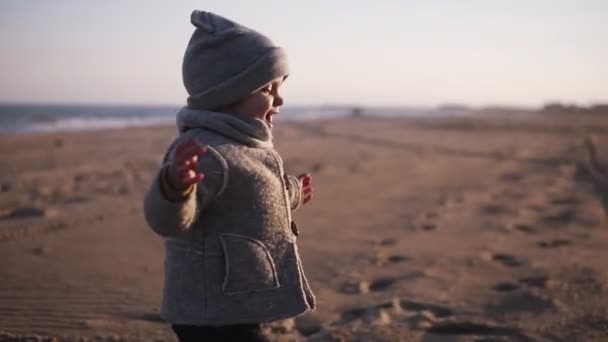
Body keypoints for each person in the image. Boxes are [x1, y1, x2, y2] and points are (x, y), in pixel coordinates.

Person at [143, 10, 316, 342]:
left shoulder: (244, 146)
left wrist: (292, 192)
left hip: (237, 298)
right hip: (209, 310)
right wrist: (174, 187)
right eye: (268, 89)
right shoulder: (206, 152)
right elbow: (166, 221)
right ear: (228, 95)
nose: (280, 99)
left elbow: (255, 193)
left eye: (280, 87)